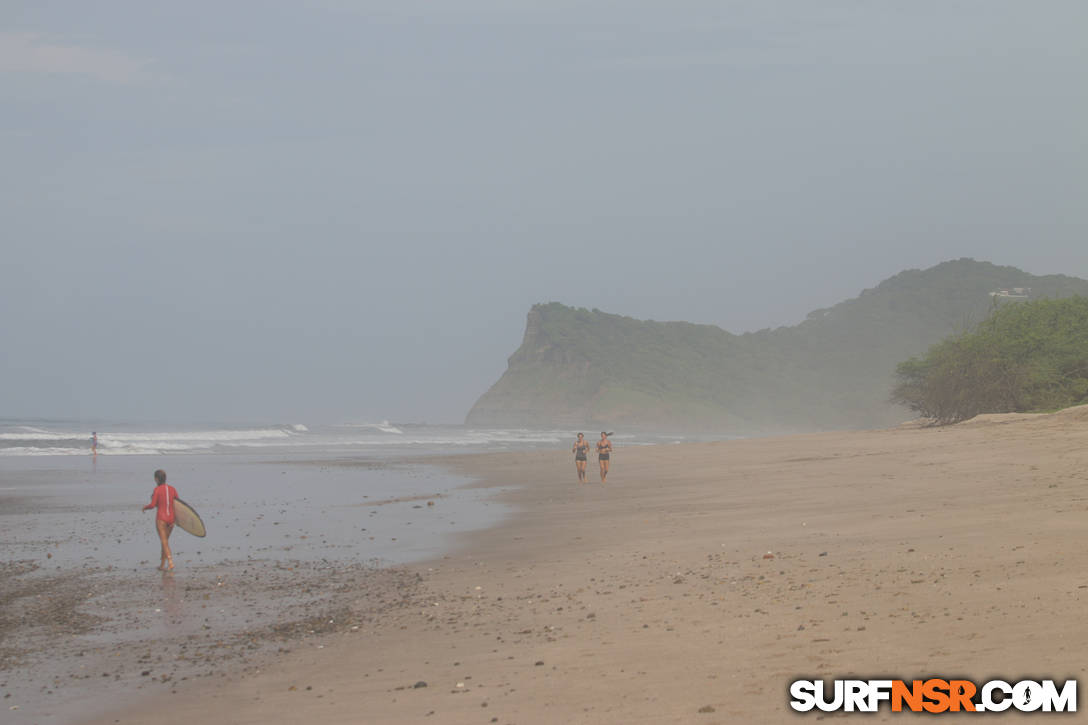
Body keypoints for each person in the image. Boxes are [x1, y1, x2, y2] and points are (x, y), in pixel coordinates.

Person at [142, 469, 178, 571]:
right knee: (165, 541)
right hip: (172, 519)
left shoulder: (157, 490)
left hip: (161, 518)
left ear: (156, 479)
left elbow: (153, 505)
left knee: (164, 541)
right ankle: (162, 564)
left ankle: (170, 562)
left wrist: (145, 507)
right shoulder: (172, 489)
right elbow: (177, 503)